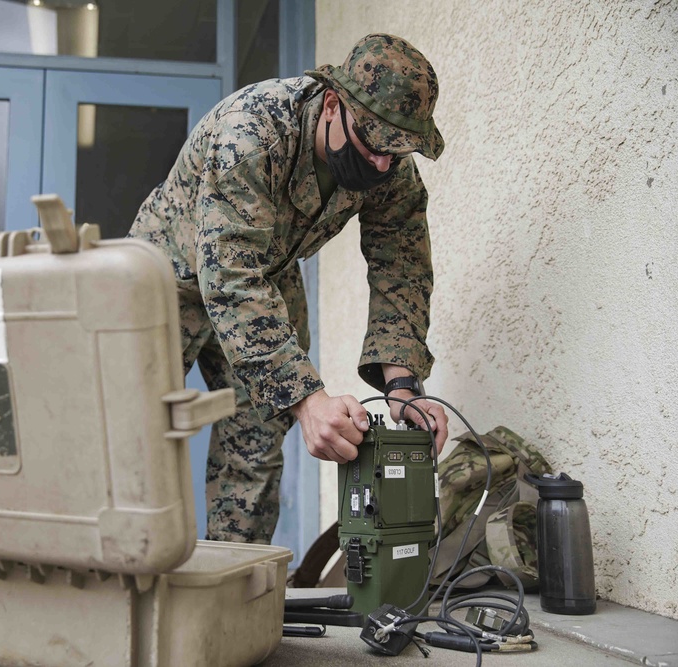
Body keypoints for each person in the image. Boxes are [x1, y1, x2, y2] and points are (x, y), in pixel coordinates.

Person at [129, 33, 450, 544]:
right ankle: (120, 581)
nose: (384, 165)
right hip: (163, 285)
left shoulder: (386, 158)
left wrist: (402, 386)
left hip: (267, 277)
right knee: (129, 430)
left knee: (256, 438)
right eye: (373, 145)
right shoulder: (251, 133)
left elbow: (403, 267)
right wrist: (307, 399)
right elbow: (231, 280)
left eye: (397, 149)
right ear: (330, 105)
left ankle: (232, 591)